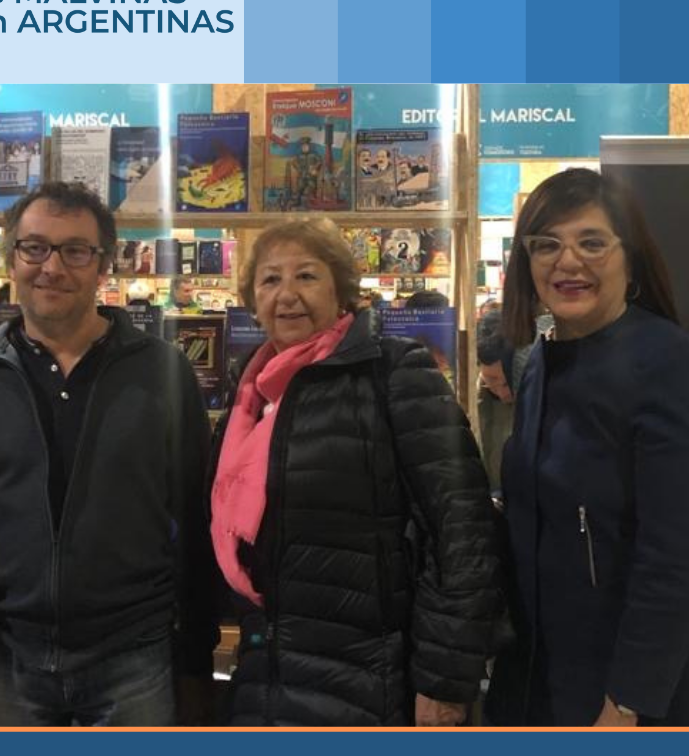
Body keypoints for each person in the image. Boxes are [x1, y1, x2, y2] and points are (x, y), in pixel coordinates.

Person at [0, 181, 219, 727]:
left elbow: (197, 525)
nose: (52, 267)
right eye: (35, 247)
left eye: (75, 251)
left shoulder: (162, 371)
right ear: (11, 259)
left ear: (104, 265)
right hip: (7, 662)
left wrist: (195, 663)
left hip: (134, 659)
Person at [209, 218, 502, 726]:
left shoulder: (393, 370)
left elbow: (462, 530)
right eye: (270, 279)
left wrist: (444, 681)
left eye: (306, 275)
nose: (287, 294)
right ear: (253, 299)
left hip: (369, 684)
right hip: (267, 676)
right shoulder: (251, 394)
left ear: (341, 290)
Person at [486, 168, 689, 726]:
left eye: (592, 242)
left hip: (642, 698)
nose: (567, 261)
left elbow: (679, 558)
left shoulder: (671, 365)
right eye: (546, 244)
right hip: (549, 679)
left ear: (631, 258)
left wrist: (627, 703)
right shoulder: (540, 364)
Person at [475, 308, 516, 494]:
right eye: (491, 380)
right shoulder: (472, 400)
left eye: (508, 382)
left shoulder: (536, 398)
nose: (501, 392)